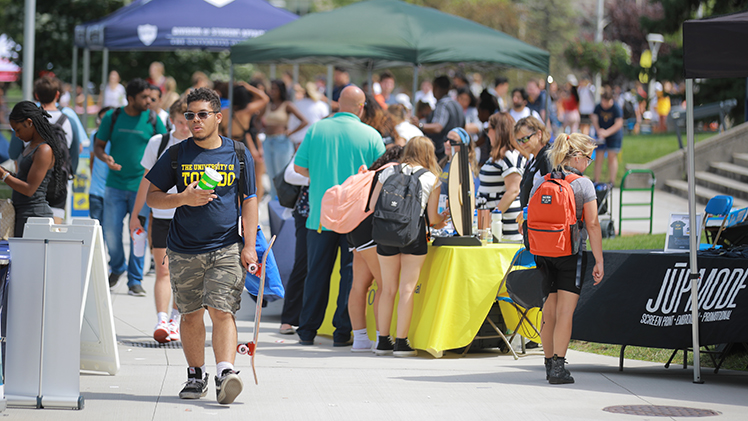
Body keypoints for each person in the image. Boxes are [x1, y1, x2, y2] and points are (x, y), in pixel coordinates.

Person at [146, 87, 257, 404]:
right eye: (189, 115)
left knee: (221, 309)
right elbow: (152, 195)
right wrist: (181, 198)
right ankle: (196, 375)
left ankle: (226, 373)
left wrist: (249, 244)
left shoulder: (237, 153)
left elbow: (249, 199)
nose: (195, 121)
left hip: (225, 246)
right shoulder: (177, 154)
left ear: (218, 117)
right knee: (191, 314)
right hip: (183, 248)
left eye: (202, 114)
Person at [293, 85, 385, 347]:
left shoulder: (317, 129)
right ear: (361, 107)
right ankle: (342, 332)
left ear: (338, 104)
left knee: (316, 274)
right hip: (356, 218)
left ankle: (307, 330)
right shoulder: (372, 135)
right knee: (351, 277)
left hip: (321, 217)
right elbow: (379, 176)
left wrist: (321, 177)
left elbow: (300, 167)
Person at [530, 132, 604, 384]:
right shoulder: (583, 185)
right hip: (570, 253)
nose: (589, 163)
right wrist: (599, 260)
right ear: (578, 156)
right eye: (589, 158)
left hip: (543, 253)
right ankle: (559, 369)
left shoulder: (540, 181)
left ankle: (549, 363)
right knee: (565, 312)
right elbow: (592, 224)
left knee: (548, 311)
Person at [370, 136, 449, 357]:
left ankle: (383, 341)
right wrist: (441, 219)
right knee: (407, 289)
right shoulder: (431, 178)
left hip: (385, 235)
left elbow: (372, 205)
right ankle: (401, 343)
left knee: (387, 289)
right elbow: (432, 218)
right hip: (413, 236)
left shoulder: (387, 172)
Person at [94, 78, 167, 296]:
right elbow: (98, 146)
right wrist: (105, 158)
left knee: (138, 234)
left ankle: (135, 280)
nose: (149, 100)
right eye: (144, 97)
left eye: (150, 96)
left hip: (142, 188)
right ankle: (117, 268)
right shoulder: (112, 116)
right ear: (130, 98)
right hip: (114, 186)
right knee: (111, 233)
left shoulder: (153, 119)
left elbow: (165, 146)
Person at [130, 98, 191, 344]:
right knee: (163, 269)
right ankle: (162, 319)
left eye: (188, 121)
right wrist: (137, 213)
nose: (185, 127)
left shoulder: (199, 144)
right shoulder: (160, 142)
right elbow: (146, 180)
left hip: (189, 216)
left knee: (183, 272)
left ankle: (176, 319)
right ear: (171, 120)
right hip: (163, 214)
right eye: (180, 122)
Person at [347, 146, 403, 352]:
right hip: (371, 230)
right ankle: (382, 338)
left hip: (354, 228)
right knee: (384, 285)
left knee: (359, 285)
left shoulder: (374, 171)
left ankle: (360, 339)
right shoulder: (394, 171)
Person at [0, 102, 66, 237]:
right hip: (23, 214)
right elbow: (24, 179)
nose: (17, 135)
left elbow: (29, 189)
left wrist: (3, 175)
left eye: (18, 130)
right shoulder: (30, 146)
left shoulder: (44, 150)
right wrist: (7, 173)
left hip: (35, 216)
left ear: (29, 122)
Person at [478, 112, 525, 241]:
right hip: (495, 223)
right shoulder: (499, 155)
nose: (487, 134)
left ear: (498, 130)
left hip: (505, 226)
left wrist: (493, 218)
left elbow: (514, 190)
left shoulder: (509, 155)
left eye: (488, 129)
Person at [278, 159, 310, 335]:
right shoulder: (312, 140)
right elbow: (289, 174)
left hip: (333, 213)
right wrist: (313, 178)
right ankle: (288, 319)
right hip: (306, 213)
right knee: (302, 264)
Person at [223, 82, 269, 199]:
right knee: (249, 178)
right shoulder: (247, 111)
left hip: (227, 144)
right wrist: (248, 87)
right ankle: (255, 205)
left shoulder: (224, 112)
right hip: (242, 144)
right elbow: (265, 99)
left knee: (231, 179)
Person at [263, 79, 308, 197]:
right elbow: (257, 120)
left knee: (281, 176)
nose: (272, 91)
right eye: (271, 89)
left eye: (275, 89)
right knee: (271, 176)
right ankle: (274, 203)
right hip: (268, 141)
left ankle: (283, 204)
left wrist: (290, 132)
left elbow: (304, 121)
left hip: (281, 141)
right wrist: (262, 129)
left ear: (280, 91)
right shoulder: (268, 105)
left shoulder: (287, 105)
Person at [417, 76, 465, 161]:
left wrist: (420, 125)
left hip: (443, 152)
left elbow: (438, 127)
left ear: (435, 87)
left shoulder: (443, 104)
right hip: (457, 149)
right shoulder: (457, 104)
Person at [516, 116, 552, 209]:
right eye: (519, 141)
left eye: (525, 139)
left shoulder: (547, 158)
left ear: (539, 134)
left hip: (539, 220)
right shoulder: (533, 159)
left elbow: (550, 195)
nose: (521, 144)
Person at [89, 107, 115, 228]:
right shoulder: (94, 136)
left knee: (110, 229)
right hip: (96, 191)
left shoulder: (119, 139)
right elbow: (92, 161)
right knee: (96, 228)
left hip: (114, 191)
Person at [591, 90, 623, 186]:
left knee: (611, 157)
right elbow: (594, 118)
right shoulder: (598, 107)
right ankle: (596, 180)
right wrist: (599, 131)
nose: (604, 105)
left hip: (613, 135)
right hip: (601, 135)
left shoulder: (616, 108)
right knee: (599, 157)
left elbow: (619, 123)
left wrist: (607, 132)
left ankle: (611, 181)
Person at [288, 82, 330, 149]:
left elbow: (291, 123)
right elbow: (326, 124)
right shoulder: (322, 105)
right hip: (315, 140)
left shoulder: (297, 104)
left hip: (298, 141)